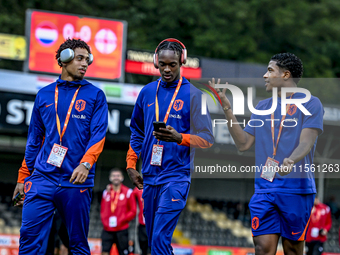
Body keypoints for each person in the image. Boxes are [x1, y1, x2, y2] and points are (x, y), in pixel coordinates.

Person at [210, 53, 324, 255]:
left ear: (286, 75)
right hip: (264, 190)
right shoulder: (262, 107)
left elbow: (307, 141)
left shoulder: (311, 103)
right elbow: (243, 144)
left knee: (293, 250)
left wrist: (291, 159)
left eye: (270, 70)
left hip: (296, 190)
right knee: (262, 249)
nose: (265, 75)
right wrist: (226, 107)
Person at [12, 38, 108, 255]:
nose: (85, 64)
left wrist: (86, 164)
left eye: (87, 59)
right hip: (42, 178)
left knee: (77, 244)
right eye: (80, 58)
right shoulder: (44, 95)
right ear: (64, 60)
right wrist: (22, 177)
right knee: (28, 241)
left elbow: (98, 136)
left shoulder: (96, 95)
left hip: (75, 180)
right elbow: (34, 140)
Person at [126, 38, 214, 254]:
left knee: (159, 238)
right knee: (154, 241)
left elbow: (208, 138)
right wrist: (131, 163)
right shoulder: (146, 92)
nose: (167, 69)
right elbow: (136, 131)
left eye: (172, 64)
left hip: (175, 177)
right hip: (149, 176)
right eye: (163, 64)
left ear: (181, 62)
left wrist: (180, 138)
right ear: (156, 62)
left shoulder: (195, 96)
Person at [100, 168, 136, 255]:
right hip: (107, 229)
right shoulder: (106, 192)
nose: (116, 177)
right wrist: (105, 222)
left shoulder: (128, 192)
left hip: (122, 229)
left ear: (122, 178)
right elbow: (103, 210)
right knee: (104, 252)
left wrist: (122, 220)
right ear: (110, 178)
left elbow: (133, 211)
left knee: (123, 252)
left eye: (118, 175)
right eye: (114, 176)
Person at [132, 187, 151, 255]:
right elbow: (130, 194)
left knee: (151, 250)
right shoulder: (139, 189)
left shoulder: (157, 187)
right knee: (143, 250)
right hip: (142, 225)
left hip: (153, 226)